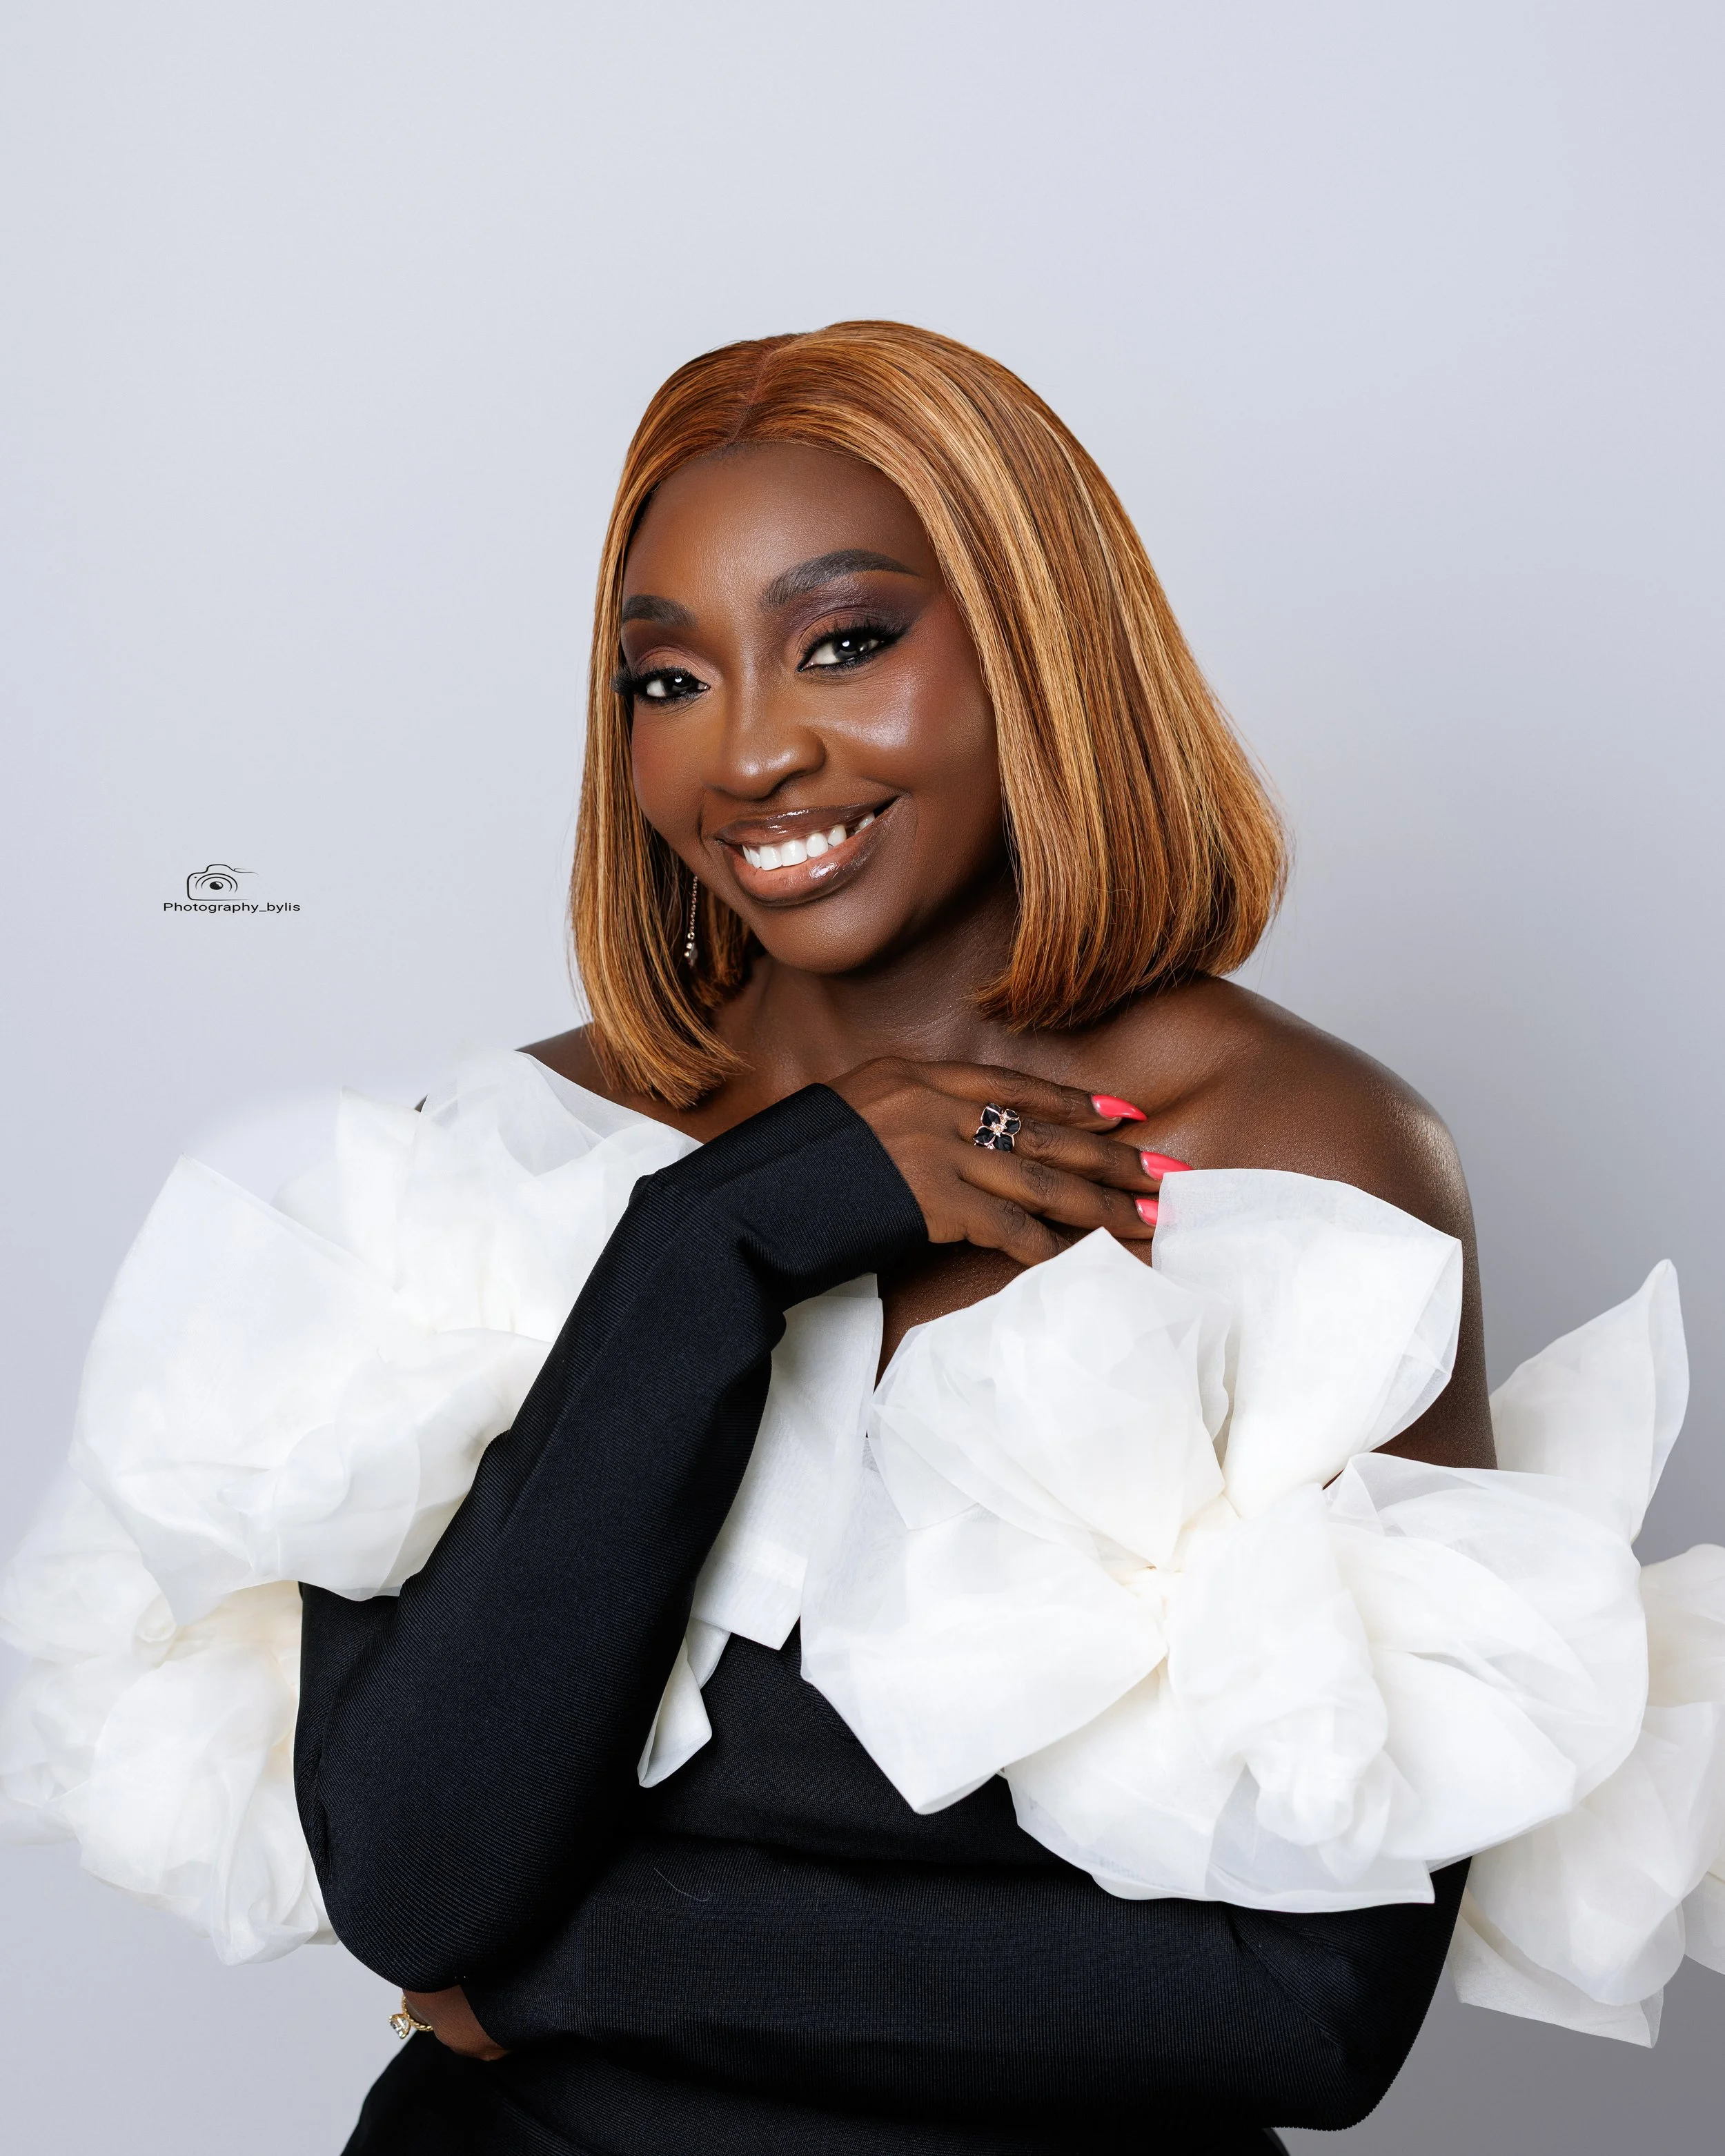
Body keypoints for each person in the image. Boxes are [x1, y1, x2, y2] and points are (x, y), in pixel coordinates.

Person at [4, 323, 1721, 2155]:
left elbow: (1307, 2007)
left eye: (845, 642)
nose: (750, 752)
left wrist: (579, 1969)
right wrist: (717, 1246)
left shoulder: (1286, 1156)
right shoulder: (490, 1169)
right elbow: (417, 1879)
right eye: (663, 681)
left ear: (1034, 645)